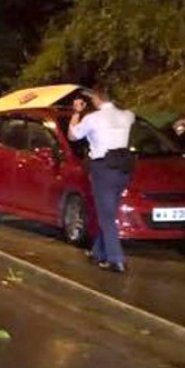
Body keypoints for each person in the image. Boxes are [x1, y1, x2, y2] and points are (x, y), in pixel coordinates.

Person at [69, 86, 136, 273]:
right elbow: (124, 111)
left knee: (106, 216)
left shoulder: (92, 119)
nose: (91, 102)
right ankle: (98, 250)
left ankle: (116, 259)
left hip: (103, 169)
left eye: (92, 99)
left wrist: (76, 113)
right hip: (123, 169)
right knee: (108, 212)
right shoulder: (127, 116)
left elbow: (73, 136)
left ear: (97, 99)